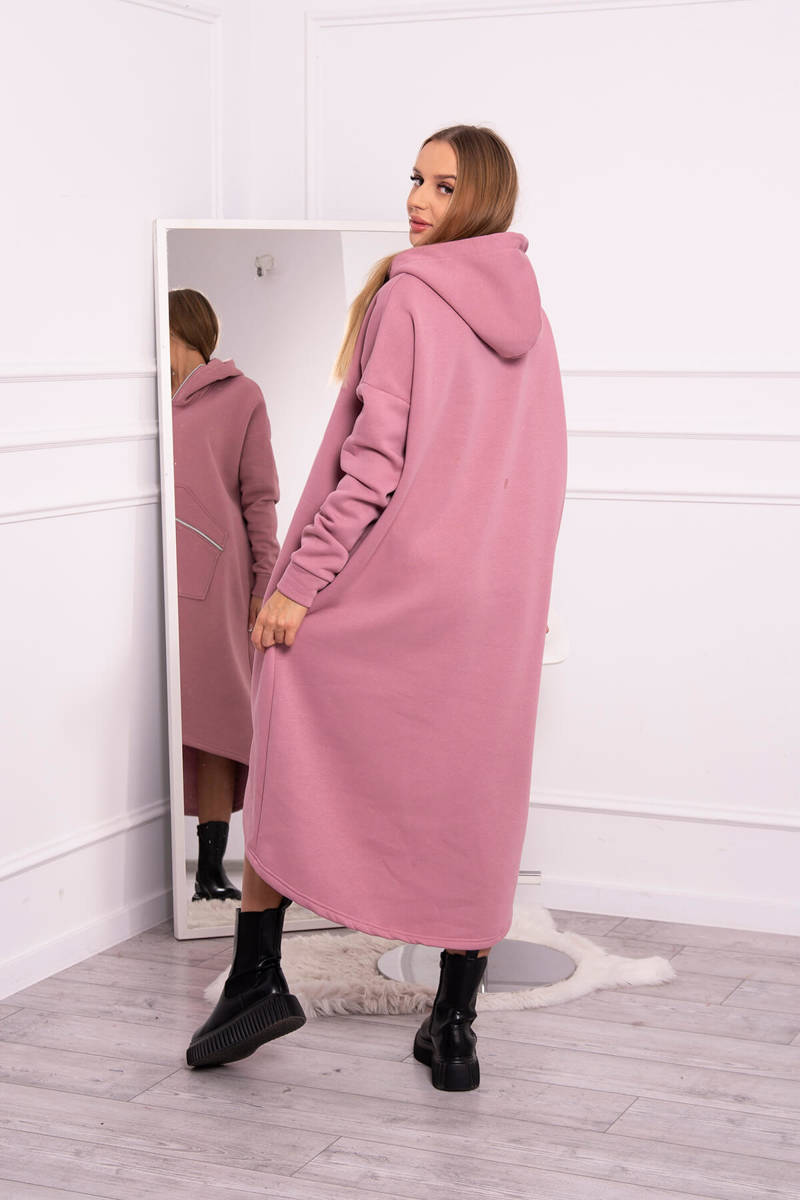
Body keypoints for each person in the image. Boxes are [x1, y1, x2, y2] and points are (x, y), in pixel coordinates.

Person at [186, 125, 568, 1092]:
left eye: (444, 185)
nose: (418, 199)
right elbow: (542, 471)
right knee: (476, 789)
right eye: (416, 178)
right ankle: (454, 1027)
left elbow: (372, 466)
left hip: (405, 583)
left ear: (482, 199)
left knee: (287, 702)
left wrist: (298, 586)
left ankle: (258, 974)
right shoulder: (531, 315)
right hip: (495, 600)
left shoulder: (410, 294)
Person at [169, 290, 280, 903]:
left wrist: (266, 582)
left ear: (182, 331)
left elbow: (259, 496)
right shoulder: (141, 398)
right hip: (154, 576)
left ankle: (211, 871)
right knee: (168, 717)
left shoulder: (242, 396)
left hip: (219, 581)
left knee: (215, 719)